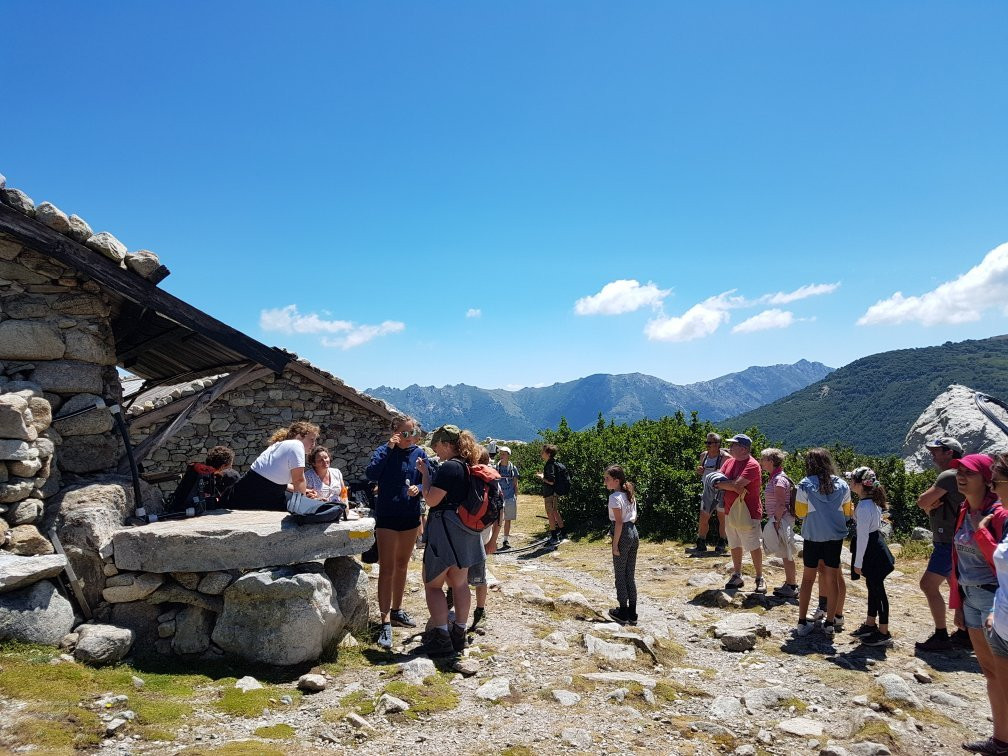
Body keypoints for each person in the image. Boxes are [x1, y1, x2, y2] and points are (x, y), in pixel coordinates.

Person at [947, 454, 1008, 755]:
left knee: (1003, 672)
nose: (960, 476)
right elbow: (957, 560)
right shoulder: (963, 509)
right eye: (959, 471)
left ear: (986, 479)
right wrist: (957, 602)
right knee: (989, 670)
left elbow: (1002, 562)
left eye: (968, 473)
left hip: (994, 598)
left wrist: (981, 530)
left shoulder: (998, 515)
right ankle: (1000, 739)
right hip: (971, 597)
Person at [416, 424, 485, 656]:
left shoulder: (449, 468)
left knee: (432, 585)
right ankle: (460, 634)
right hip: (465, 531)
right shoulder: (468, 467)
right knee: (460, 583)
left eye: (436, 446)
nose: (435, 452)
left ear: (446, 444)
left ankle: (442, 637)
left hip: (444, 530)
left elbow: (431, 500)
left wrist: (425, 475)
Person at [366, 415, 428, 650]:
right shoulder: (384, 451)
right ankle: (384, 621)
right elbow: (371, 474)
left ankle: (397, 610)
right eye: (406, 433)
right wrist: (388, 448)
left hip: (410, 516)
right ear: (395, 433)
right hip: (388, 516)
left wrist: (419, 487)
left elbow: (428, 479)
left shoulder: (419, 454)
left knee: (402, 565)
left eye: (413, 432)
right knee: (387, 568)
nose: (411, 437)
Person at [915, 436, 972, 652]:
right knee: (956, 585)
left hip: (947, 541)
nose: (932, 454)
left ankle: (941, 635)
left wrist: (928, 506)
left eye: (937, 451)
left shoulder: (949, 476)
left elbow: (922, 501)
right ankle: (966, 633)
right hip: (959, 539)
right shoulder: (965, 474)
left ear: (950, 453)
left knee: (928, 585)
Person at [793, 448, 851, 638]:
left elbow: (800, 513)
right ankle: (830, 623)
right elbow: (848, 512)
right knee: (832, 579)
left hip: (813, 536)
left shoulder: (804, 485)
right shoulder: (843, 485)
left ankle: (802, 622)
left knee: (808, 579)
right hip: (834, 538)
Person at [847, 467, 896, 647]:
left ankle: (883, 632)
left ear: (861, 484)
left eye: (852, 480)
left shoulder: (865, 507)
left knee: (878, 590)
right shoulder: (870, 502)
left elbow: (863, 538)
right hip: (876, 548)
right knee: (872, 587)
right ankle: (870, 624)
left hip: (871, 552)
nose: (850, 482)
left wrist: (857, 563)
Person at [222, 421, 319, 510]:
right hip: (253, 495)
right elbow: (299, 480)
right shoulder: (296, 444)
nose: (313, 444)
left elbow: (276, 481)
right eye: (311, 440)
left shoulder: (279, 446)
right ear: (299, 437)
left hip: (245, 494)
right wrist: (303, 506)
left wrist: (305, 491)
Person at [981, 453, 1008, 756]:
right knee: (1000, 685)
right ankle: (1000, 741)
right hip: (1000, 621)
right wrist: (993, 609)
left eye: (997, 482)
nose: (994, 489)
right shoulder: (1006, 518)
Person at [715, 434, 765, 593]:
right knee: (734, 544)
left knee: (753, 545)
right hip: (730, 510)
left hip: (748, 512)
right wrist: (727, 484)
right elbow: (716, 482)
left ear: (743, 449)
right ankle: (737, 575)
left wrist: (725, 484)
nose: (730, 448)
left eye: (733, 445)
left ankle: (759, 577)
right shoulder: (730, 462)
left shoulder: (752, 465)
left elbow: (737, 485)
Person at [469, 448, 503, 633]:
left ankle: (453, 609)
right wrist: (493, 540)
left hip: (464, 535)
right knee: (480, 576)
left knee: (458, 577)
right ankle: (480, 611)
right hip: (484, 535)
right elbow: (500, 513)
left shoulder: (467, 477)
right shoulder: (493, 482)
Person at [759, 448, 798, 598]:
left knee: (786, 552)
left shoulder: (779, 480)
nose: (761, 462)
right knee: (784, 552)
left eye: (763, 459)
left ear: (771, 461)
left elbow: (781, 504)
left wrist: (776, 521)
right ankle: (790, 583)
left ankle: (792, 585)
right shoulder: (777, 478)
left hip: (781, 519)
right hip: (781, 519)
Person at [605, 464, 639, 624]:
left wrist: (615, 544)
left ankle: (622, 611)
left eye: (607, 479)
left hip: (622, 533)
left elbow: (618, 523)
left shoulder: (614, 498)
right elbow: (633, 516)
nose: (605, 482)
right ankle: (633, 612)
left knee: (620, 574)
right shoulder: (629, 493)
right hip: (634, 532)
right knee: (629, 574)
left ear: (616, 480)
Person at [695, 432, 730, 554]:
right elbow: (700, 471)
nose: (707, 445)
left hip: (721, 491)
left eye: (710, 443)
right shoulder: (704, 455)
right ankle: (701, 542)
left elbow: (728, 474)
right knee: (704, 516)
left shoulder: (725, 457)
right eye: (707, 442)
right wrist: (699, 470)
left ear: (718, 444)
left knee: (722, 518)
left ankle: (722, 542)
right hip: (707, 490)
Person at [535, 444, 565, 543]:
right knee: (555, 512)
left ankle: (554, 537)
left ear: (548, 454)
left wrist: (542, 477)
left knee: (550, 514)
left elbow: (551, 481)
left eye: (543, 452)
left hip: (550, 494)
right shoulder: (554, 463)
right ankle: (563, 533)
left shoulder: (549, 465)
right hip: (555, 493)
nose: (541, 453)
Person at [495, 445, 519, 550]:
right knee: (496, 520)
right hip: (499, 497)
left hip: (509, 496)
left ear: (508, 455)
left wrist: (515, 496)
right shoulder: (496, 467)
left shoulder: (513, 468)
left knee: (508, 519)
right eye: (501, 453)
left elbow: (515, 483)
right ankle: (493, 540)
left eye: (504, 454)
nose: (501, 455)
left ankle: (505, 540)